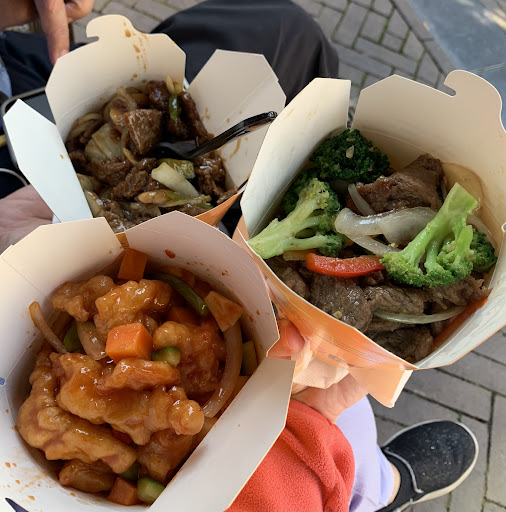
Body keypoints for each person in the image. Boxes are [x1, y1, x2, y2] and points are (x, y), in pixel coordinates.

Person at [0, 2, 479, 511]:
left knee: (289, 29)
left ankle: (377, 479)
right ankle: (386, 485)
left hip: (19, 94)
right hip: (295, 446)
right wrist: (311, 428)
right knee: (354, 438)